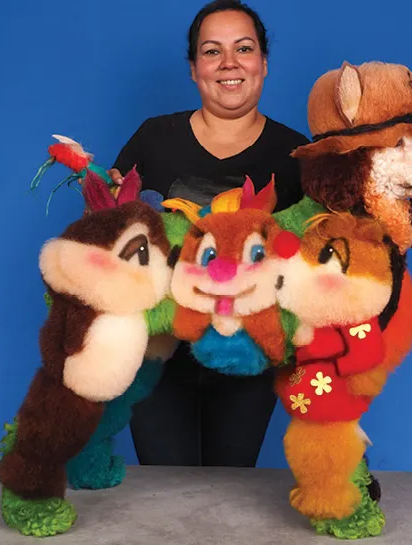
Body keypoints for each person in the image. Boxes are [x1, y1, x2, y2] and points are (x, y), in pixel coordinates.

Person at [105, 0, 310, 467]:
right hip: (157, 355)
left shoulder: (297, 154)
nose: (229, 63)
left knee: (231, 495)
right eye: (212, 51)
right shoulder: (152, 139)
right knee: (162, 495)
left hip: (249, 358)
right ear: (194, 68)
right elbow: (113, 236)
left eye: (243, 48)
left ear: (263, 62)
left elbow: (316, 250)